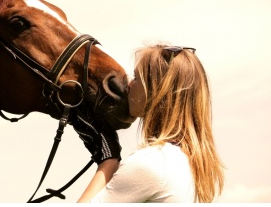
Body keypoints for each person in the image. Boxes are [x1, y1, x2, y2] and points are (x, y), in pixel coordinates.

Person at [72, 44, 224, 203]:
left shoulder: (152, 163)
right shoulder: (190, 163)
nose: (129, 84)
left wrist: (108, 160)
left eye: (137, 78)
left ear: (157, 91)